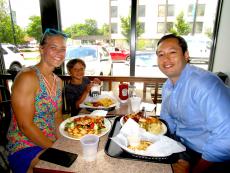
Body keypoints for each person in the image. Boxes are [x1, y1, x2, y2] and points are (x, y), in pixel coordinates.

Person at [156, 34, 230, 173]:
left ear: (186, 55)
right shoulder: (167, 86)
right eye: (161, 54)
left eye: (172, 52)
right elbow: (167, 120)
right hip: (182, 147)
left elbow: (226, 138)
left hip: (211, 157)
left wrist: (194, 171)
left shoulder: (204, 83)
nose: (166, 59)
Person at [6, 28, 67, 173]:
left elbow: (57, 118)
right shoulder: (27, 77)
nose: (59, 53)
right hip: (25, 144)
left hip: (50, 140)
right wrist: (56, 150)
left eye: (63, 49)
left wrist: (62, 144)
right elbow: (24, 125)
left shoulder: (58, 82)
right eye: (53, 47)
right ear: (41, 49)